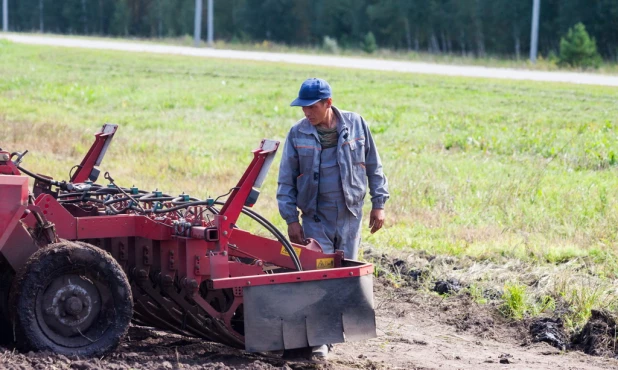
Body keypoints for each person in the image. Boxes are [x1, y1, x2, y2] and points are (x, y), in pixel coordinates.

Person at [277, 77, 389, 359]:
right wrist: (291, 219)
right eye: (302, 107)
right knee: (320, 276)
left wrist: (379, 203)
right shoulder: (297, 134)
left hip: (350, 216)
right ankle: (320, 342)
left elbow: (374, 165)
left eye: (311, 106)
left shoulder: (356, 125)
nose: (305, 112)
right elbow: (285, 181)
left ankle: (330, 333)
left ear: (328, 103)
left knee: (342, 277)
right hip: (316, 218)